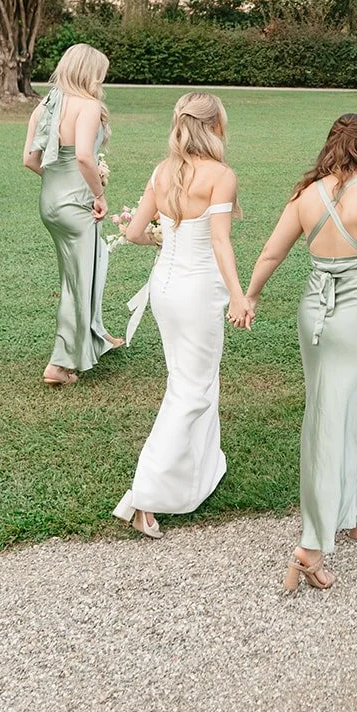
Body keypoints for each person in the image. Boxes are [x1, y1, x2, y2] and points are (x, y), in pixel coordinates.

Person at [245, 115, 357, 593]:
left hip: (315, 318)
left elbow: (270, 254)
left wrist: (252, 296)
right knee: (336, 422)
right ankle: (310, 546)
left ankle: (356, 508)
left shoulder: (305, 196)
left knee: (337, 415)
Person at [113, 94, 252, 540]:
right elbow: (219, 242)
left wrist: (162, 238)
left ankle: (201, 472)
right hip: (197, 292)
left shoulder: (162, 170)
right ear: (215, 127)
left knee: (189, 381)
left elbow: (135, 232)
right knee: (191, 390)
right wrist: (238, 296)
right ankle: (144, 495)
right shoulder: (220, 175)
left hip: (165, 289)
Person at [22, 42, 123, 385]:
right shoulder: (88, 106)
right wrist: (99, 193)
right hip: (77, 205)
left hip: (50, 202)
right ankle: (60, 364)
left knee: (85, 271)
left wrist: (61, 183)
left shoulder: (45, 106)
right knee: (77, 280)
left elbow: (30, 160)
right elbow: (83, 156)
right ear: (91, 73)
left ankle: (96, 334)